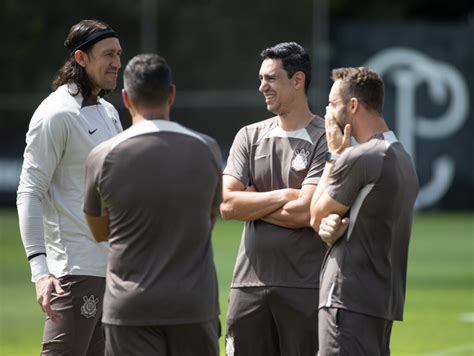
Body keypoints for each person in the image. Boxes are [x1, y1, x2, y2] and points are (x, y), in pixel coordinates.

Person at [83, 53, 222, 356]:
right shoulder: (208, 149)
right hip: (193, 305)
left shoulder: (102, 155)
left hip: (130, 307)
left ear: (126, 97)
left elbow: (99, 231)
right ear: (171, 93)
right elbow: (209, 216)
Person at [16, 19, 122, 355]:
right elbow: (30, 190)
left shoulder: (108, 112)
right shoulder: (56, 114)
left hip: (112, 272)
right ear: (81, 58)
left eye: (119, 54)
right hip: (72, 274)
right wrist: (40, 272)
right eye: (107, 54)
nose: (117, 63)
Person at [220, 42, 328, 355]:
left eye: (270, 79)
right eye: (261, 78)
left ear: (298, 80)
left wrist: (251, 204)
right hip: (247, 287)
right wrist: (284, 195)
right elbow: (227, 205)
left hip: (305, 288)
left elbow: (305, 211)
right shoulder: (248, 136)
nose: (261, 87)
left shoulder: (326, 137)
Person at [310, 67, 419, 355]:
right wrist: (329, 228)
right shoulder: (403, 158)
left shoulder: (362, 157)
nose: (327, 113)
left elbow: (315, 214)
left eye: (332, 104)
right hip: (380, 302)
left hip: (348, 300)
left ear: (353, 105)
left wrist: (334, 155)